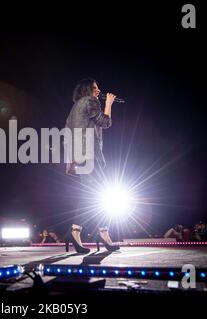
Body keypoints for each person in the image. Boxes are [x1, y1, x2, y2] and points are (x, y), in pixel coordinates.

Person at [64, 78, 120, 253]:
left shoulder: (74, 108)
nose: (98, 90)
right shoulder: (90, 101)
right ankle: (77, 231)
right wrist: (109, 103)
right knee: (94, 196)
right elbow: (105, 122)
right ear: (87, 89)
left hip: (81, 156)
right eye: (95, 88)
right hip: (89, 156)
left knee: (95, 196)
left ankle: (101, 233)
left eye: (98, 88)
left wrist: (72, 159)